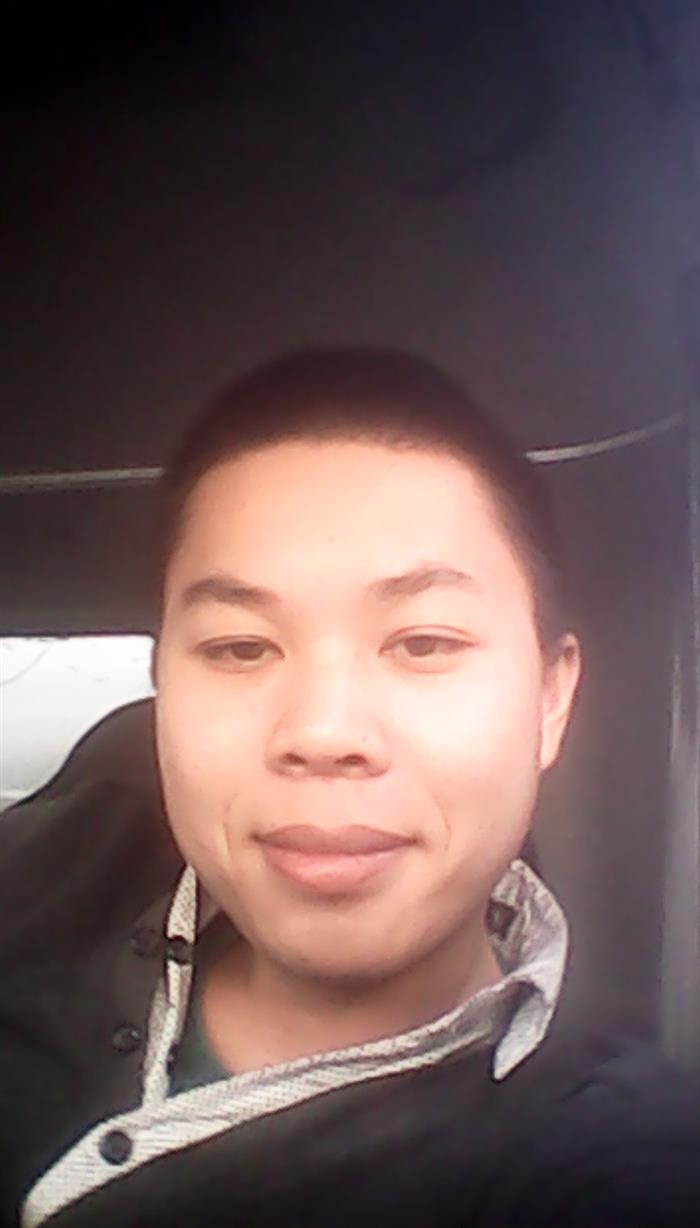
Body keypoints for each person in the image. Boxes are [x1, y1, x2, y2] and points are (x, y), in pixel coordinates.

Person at [0, 347, 698, 1227]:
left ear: (551, 699)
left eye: (424, 643)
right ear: (162, 687)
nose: (323, 734)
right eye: (240, 648)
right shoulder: (44, 886)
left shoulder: (617, 1164)